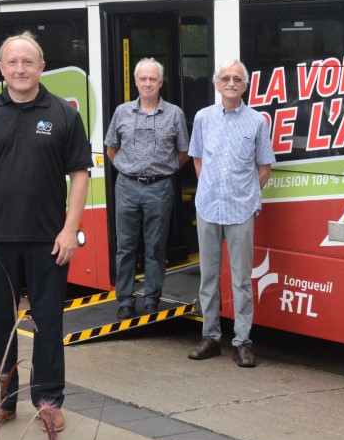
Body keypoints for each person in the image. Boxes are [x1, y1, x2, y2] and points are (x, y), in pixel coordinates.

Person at [0, 32, 92, 432]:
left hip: (49, 241)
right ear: (1, 69)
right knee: (0, 322)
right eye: (12, 62)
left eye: (27, 62)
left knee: (48, 322)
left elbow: (79, 175)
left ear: (41, 67)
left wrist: (70, 230)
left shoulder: (64, 114)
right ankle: (1, 400)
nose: (20, 69)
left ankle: (48, 403)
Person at [186, 60, 274, 368]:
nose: (231, 82)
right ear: (216, 83)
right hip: (209, 207)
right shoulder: (203, 118)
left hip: (240, 210)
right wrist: (209, 188)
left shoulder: (257, 122)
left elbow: (264, 169)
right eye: (225, 77)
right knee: (208, 277)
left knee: (241, 280)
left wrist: (247, 194)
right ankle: (210, 337)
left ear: (245, 85)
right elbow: (197, 159)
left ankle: (242, 342)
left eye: (237, 78)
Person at [104, 58, 189, 319]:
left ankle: (152, 298)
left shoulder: (175, 114)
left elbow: (184, 151)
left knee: (155, 246)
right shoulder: (122, 112)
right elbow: (111, 147)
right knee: (126, 246)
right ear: (136, 82)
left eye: (153, 79)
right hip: (127, 186)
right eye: (143, 79)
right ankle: (125, 299)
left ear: (161, 82)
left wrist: (164, 172)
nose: (148, 83)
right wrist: (126, 170)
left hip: (159, 188)